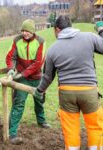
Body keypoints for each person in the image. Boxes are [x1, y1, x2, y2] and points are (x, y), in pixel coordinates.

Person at [34, 15, 103, 150]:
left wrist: (39, 91)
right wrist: (100, 30)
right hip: (88, 91)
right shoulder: (89, 37)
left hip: (67, 94)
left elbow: (48, 77)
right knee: (95, 126)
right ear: (70, 25)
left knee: (71, 129)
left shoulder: (52, 50)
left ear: (57, 29)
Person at [6, 19, 50, 144]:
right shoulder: (17, 40)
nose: (25, 33)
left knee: (39, 101)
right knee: (18, 104)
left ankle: (41, 122)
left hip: (36, 78)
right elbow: (11, 56)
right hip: (22, 79)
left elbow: (38, 63)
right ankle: (12, 133)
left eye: (27, 31)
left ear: (33, 31)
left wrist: (23, 73)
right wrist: (10, 69)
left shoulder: (41, 41)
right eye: (23, 30)